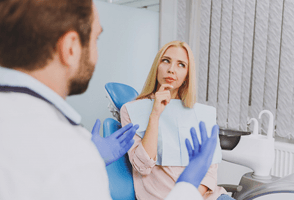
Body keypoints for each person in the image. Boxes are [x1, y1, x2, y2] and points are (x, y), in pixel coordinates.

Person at [0, 1, 217, 199]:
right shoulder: (70, 156)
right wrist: (188, 184)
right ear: (71, 47)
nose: (172, 69)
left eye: (181, 64)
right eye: (97, 38)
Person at [120, 41, 233, 200]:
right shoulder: (131, 110)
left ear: (187, 75)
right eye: (166, 61)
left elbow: (209, 171)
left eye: (181, 64)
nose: (171, 69)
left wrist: (189, 195)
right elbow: (142, 167)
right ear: (157, 67)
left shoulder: (200, 114)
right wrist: (155, 114)